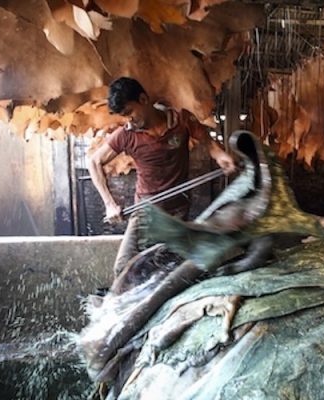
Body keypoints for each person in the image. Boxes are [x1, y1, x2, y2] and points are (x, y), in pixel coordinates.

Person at [88, 77, 236, 276]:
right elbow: (93, 162)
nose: (128, 119)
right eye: (124, 116)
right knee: (123, 269)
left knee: (168, 271)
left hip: (177, 210)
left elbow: (206, 140)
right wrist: (109, 203)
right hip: (145, 211)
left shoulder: (181, 120)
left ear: (143, 99)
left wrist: (220, 155)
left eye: (129, 112)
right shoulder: (126, 135)